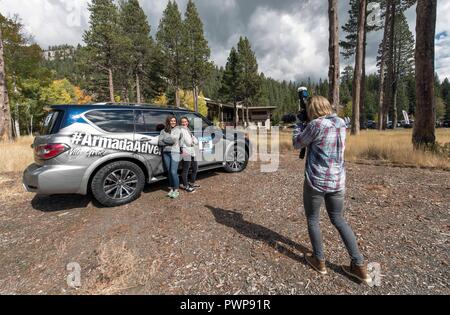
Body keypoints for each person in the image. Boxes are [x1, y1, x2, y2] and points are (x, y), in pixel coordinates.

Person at [293, 95, 371, 285]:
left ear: (312, 110)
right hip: (337, 182)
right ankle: (359, 266)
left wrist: (298, 123)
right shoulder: (340, 123)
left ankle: (319, 261)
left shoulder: (316, 125)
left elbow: (297, 143)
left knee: (313, 219)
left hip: (316, 181)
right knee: (338, 220)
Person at [159, 115, 183, 199]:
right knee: (169, 172)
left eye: (174, 121)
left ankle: (176, 190)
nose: (173, 122)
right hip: (166, 152)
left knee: (173, 171)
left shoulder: (177, 130)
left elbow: (173, 141)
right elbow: (159, 142)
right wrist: (167, 141)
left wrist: (164, 140)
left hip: (175, 152)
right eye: (171, 121)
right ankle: (172, 188)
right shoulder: (163, 131)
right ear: (168, 121)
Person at [179, 117, 200, 193]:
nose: (184, 123)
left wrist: (193, 140)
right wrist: (192, 140)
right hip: (185, 151)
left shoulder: (188, 129)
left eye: (186, 121)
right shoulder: (182, 130)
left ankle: (191, 183)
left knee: (195, 167)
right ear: (180, 123)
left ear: (188, 122)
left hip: (191, 151)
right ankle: (186, 186)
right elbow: (188, 142)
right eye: (182, 122)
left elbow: (196, 141)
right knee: (186, 169)